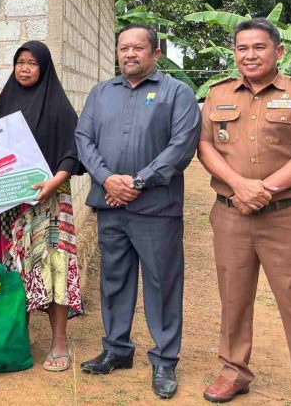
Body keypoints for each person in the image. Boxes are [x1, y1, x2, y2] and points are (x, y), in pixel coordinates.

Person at [75, 23, 201, 399]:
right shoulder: (101, 93)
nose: (130, 54)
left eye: (138, 48)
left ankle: (164, 359)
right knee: (114, 278)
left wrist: (138, 182)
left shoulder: (176, 93)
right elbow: (84, 138)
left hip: (156, 208)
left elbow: (182, 145)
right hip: (110, 205)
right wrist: (107, 179)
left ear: (155, 53)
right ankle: (116, 348)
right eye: (123, 48)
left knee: (162, 283)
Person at [198, 18, 291, 403]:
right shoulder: (218, 93)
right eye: (242, 48)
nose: (250, 55)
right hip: (231, 214)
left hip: (288, 215)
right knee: (233, 295)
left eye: (259, 47)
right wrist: (240, 186)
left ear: (279, 51)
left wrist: (266, 189)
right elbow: (205, 146)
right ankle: (234, 371)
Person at [0, 41, 84, 372]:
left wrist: (55, 182)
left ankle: (59, 340)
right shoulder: (3, 104)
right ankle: (19, 334)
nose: (25, 68)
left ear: (44, 68)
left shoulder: (57, 106)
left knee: (54, 269)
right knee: (13, 271)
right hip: (9, 208)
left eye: (32, 63)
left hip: (50, 204)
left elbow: (74, 152)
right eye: (19, 62)